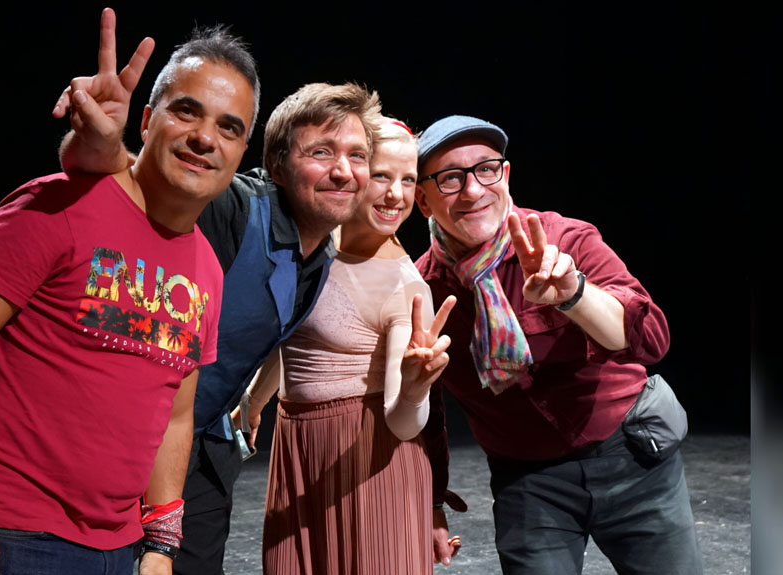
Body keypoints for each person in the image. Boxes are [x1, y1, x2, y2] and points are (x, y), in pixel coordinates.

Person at [0, 8, 255, 575]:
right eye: (186, 111)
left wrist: (162, 542)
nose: (205, 138)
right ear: (146, 120)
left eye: (229, 128)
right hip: (13, 538)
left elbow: (176, 416)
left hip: (120, 548)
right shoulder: (57, 204)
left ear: (242, 151)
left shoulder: (207, 268)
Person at [52, 15, 387, 574]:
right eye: (321, 152)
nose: (343, 171)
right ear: (276, 164)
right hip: (121, 452)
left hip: (201, 455)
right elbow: (151, 181)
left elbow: (277, 332)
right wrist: (98, 145)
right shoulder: (233, 209)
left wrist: (252, 405)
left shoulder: (322, 253)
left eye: (357, 156)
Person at [413, 115, 703, 574]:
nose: (472, 190)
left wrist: (574, 294)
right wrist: (430, 502)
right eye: (450, 178)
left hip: (632, 457)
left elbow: (650, 340)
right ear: (422, 199)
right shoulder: (421, 288)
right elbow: (424, 410)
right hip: (529, 481)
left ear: (505, 175)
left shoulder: (565, 240)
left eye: (486, 169)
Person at [238, 119, 457, 574]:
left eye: (408, 180)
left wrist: (415, 388)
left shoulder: (405, 286)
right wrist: (254, 402)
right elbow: (294, 332)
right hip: (299, 449)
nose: (395, 194)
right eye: (381, 175)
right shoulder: (316, 243)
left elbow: (402, 423)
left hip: (367, 461)